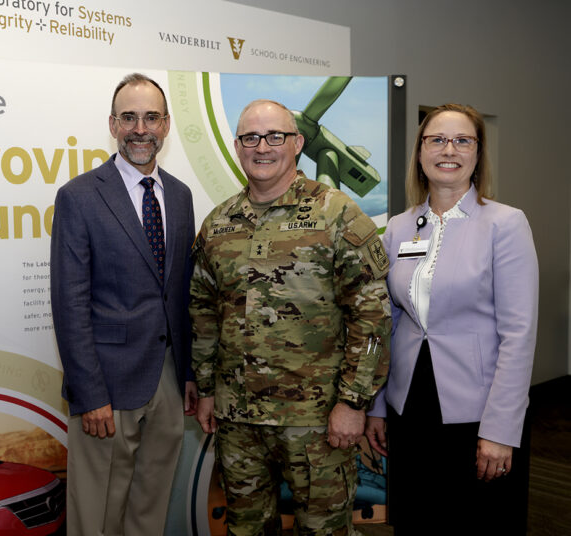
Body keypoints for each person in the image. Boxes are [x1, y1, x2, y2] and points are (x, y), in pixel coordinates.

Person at [190, 99, 391, 535]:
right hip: (239, 420)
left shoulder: (337, 214)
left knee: (324, 531)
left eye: (275, 136)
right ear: (238, 146)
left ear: (298, 143)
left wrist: (353, 403)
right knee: (245, 529)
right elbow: (204, 312)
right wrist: (206, 389)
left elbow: (371, 315)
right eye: (250, 138)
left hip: (317, 421)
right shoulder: (218, 224)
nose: (262, 147)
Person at [365, 103, 539, 535]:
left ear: (478, 154)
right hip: (411, 406)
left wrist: (501, 429)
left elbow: (518, 335)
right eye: (437, 139)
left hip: (478, 410)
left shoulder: (506, 224)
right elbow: (386, 324)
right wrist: (377, 406)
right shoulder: (399, 228)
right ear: (421, 152)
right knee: (419, 519)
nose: (450, 149)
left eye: (463, 140)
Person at [50, 73, 198, 536]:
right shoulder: (79, 196)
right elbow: (69, 302)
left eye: (151, 117)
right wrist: (89, 394)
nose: (140, 128)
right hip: (106, 390)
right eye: (129, 117)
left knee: (148, 511)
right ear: (112, 124)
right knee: (97, 517)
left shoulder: (180, 194)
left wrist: (190, 373)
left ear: (167, 125)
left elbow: (180, 290)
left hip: (169, 381)